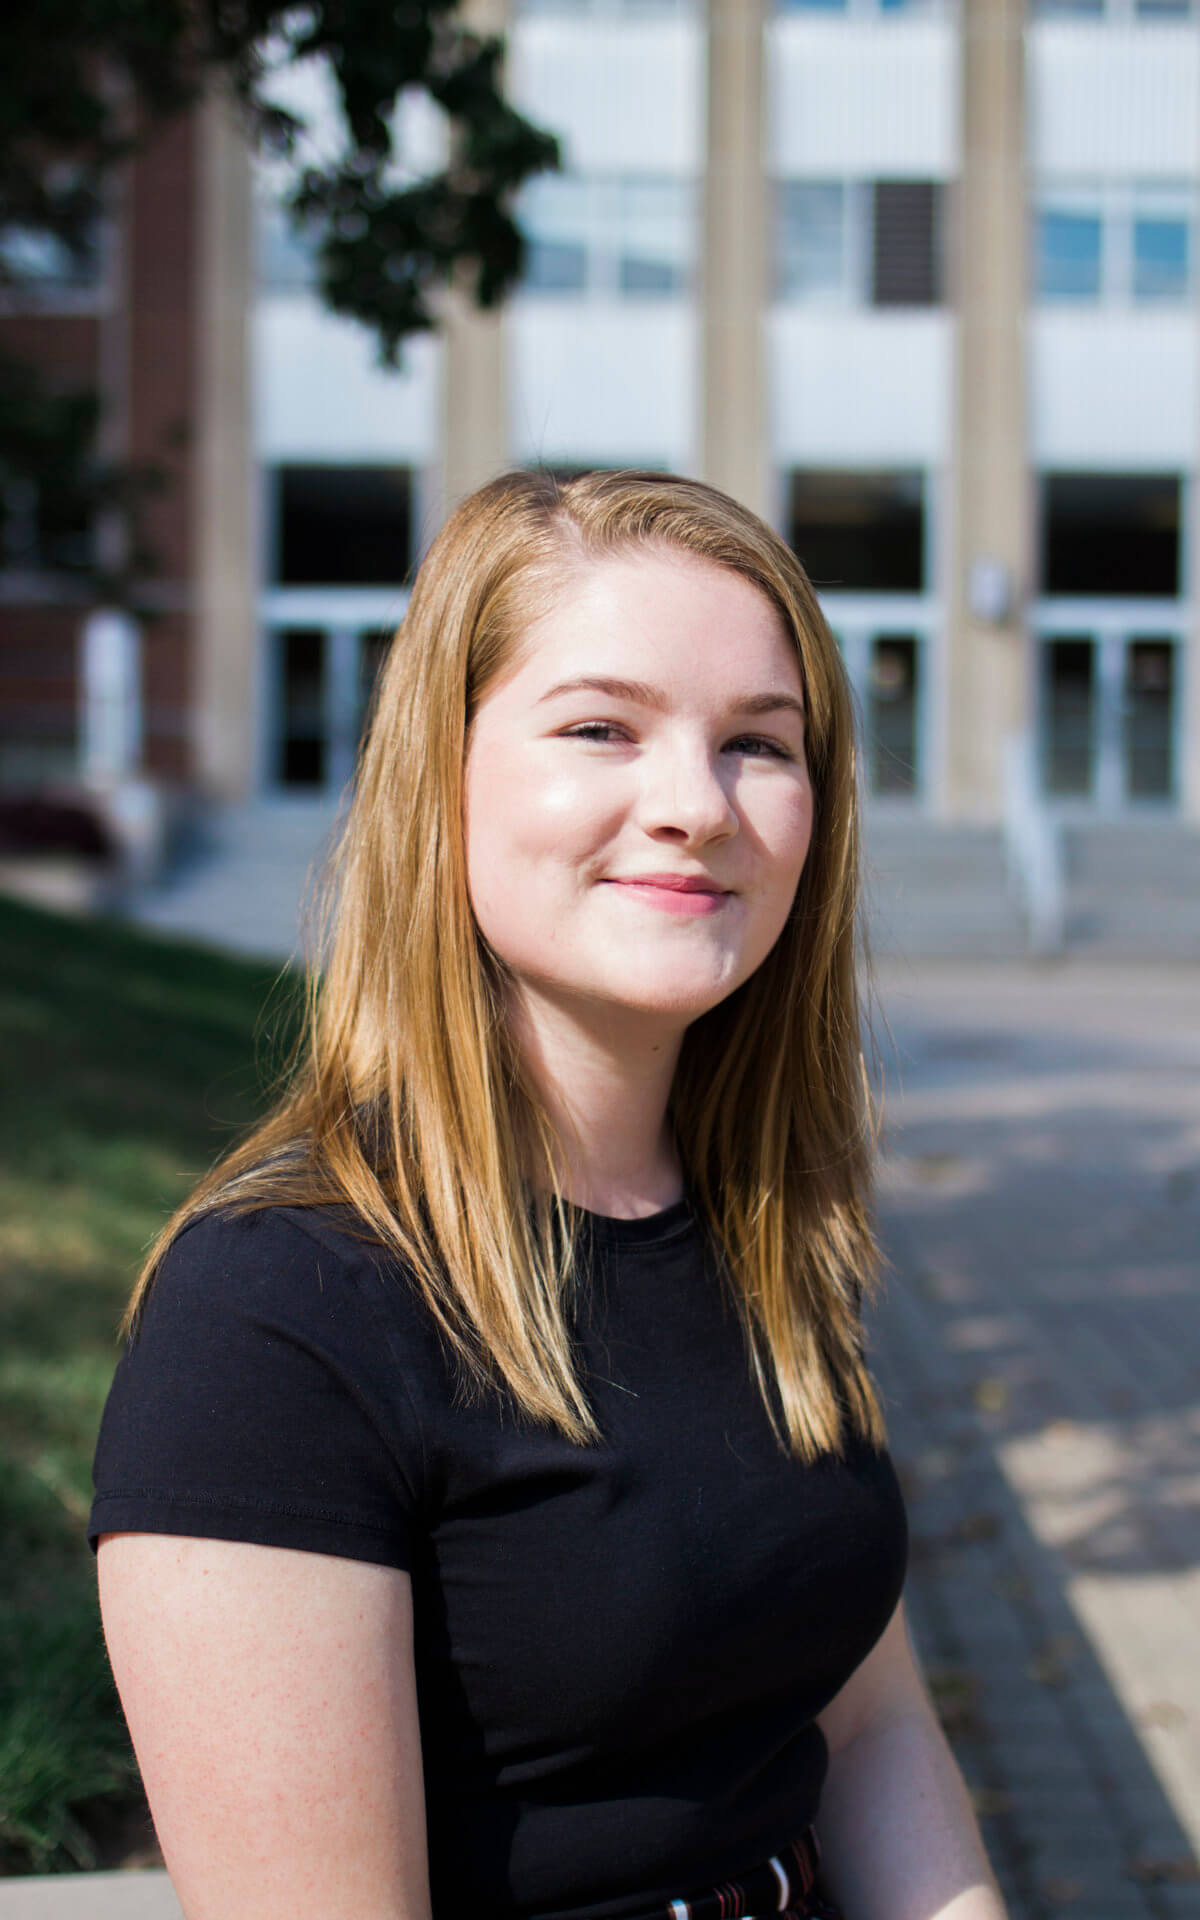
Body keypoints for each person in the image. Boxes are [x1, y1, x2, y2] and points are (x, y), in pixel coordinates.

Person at [91, 470, 1007, 1920]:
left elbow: (870, 1720)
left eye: (759, 745)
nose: (695, 807)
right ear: (439, 780)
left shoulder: (766, 1228)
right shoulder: (276, 1316)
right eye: (601, 729)